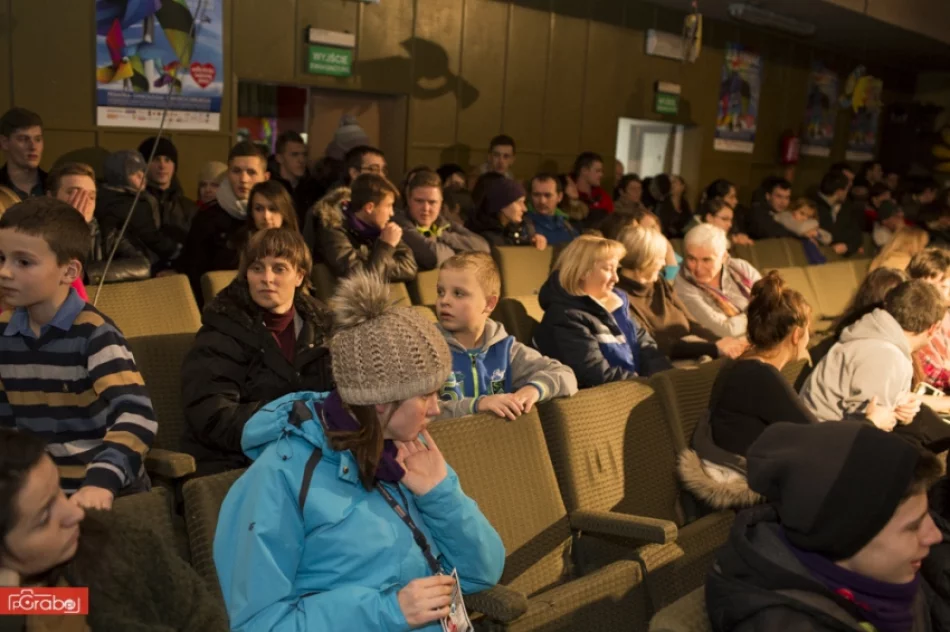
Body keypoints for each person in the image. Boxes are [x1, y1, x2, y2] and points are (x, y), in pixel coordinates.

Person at [212, 271, 506, 630]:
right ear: (380, 402)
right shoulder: (278, 479)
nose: (436, 408)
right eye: (426, 395)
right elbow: (259, 624)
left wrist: (440, 494)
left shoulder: (411, 451)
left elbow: (483, 572)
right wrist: (389, 611)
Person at [706, 421, 942, 631]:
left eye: (927, 515)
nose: (935, 535)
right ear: (844, 539)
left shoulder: (888, 577)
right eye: (913, 526)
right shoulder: (786, 623)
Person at [0, 198, 156, 509]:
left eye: (23, 262)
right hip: (44, 499)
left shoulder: (95, 334)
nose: (5, 272)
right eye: (1, 258)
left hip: (109, 496)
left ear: (69, 271)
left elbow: (137, 416)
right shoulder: (4, 332)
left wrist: (102, 481)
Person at [0, 429, 229, 629]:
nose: (76, 513)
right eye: (44, 519)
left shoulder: (113, 534)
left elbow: (202, 618)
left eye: (59, 490)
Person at [182, 228, 334, 476]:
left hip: (314, 458)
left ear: (299, 276)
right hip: (238, 463)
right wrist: (292, 417)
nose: (267, 278)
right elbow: (212, 417)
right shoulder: (220, 332)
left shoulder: (327, 331)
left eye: (279, 268)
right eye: (257, 268)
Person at [678, 272, 815, 511]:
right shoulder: (759, 375)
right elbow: (816, 434)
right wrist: (870, 422)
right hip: (742, 495)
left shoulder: (743, 365)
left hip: (736, 477)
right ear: (796, 335)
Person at [435, 252, 577, 419]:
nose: (444, 300)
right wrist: (478, 404)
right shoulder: (426, 349)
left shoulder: (506, 350)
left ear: (489, 303)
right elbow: (417, 413)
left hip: (500, 442)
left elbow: (566, 376)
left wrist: (532, 390)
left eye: (458, 293)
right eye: (440, 292)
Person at [801, 280, 945, 430]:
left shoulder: (874, 337)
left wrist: (902, 413)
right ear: (934, 328)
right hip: (828, 443)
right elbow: (865, 432)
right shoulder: (886, 355)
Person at [534, 236, 672, 388]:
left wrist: (663, 379)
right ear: (581, 272)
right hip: (605, 404)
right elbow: (596, 374)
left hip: (637, 390)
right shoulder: (564, 318)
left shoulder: (618, 306)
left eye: (616, 269)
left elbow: (648, 349)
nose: (616, 278)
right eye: (607, 269)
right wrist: (649, 385)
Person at [617, 225, 747, 362]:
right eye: (660, 258)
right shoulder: (620, 297)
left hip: (698, 351)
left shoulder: (659, 284)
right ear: (643, 260)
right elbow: (657, 344)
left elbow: (693, 324)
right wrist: (714, 348)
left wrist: (723, 342)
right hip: (669, 362)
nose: (663, 264)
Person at [182, 141, 270, 298]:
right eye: (236, 171)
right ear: (228, 174)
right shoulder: (207, 217)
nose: (243, 179)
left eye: (251, 172)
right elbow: (193, 273)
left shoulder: (274, 215)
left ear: (265, 177)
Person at [46, 161, 150, 285]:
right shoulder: (37, 234)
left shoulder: (107, 232)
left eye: (91, 196)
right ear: (50, 198)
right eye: (74, 193)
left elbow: (142, 266)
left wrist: (87, 273)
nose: (85, 201)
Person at [311, 173, 418, 282]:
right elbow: (361, 279)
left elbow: (410, 268)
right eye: (388, 206)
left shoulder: (380, 227)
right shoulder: (333, 230)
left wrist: (374, 263)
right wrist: (386, 247)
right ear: (369, 208)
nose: (392, 213)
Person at [96, 149, 182, 275]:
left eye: (142, 170)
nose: (141, 176)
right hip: (136, 266)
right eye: (133, 173)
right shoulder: (135, 203)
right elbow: (151, 237)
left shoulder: (99, 196)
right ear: (119, 175)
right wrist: (177, 250)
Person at [674, 223, 762, 339]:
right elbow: (725, 331)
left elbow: (773, 304)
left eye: (706, 260)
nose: (698, 268)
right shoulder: (682, 285)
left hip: (763, 337)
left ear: (724, 257)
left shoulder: (741, 268)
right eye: (691, 259)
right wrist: (760, 314)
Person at [394, 170, 488, 271]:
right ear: (408, 199)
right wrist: (459, 250)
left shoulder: (442, 223)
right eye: (419, 201)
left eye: (432, 202)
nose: (426, 208)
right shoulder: (400, 222)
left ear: (440, 203)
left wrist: (440, 236)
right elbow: (433, 256)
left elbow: (483, 248)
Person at [138, 136, 198, 242]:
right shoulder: (134, 202)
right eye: (156, 159)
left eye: (167, 160)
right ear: (144, 164)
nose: (162, 166)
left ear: (174, 166)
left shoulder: (188, 208)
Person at [907, 249, 950, 397]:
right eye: (931, 288)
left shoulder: (946, 317)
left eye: (944, 287)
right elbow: (931, 375)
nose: (938, 295)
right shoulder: (911, 324)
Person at [467, 177, 546, 250]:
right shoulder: (485, 239)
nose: (524, 209)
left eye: (524, 202)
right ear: (502, 205)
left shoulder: (520, 230)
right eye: (519, 202)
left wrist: (534, 241)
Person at [270, 130, 321, 228]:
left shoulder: (315, 189)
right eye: (295, 154)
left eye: (304, 154)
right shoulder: (270, 188)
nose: (301, 160)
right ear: (279, 158)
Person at [812, 170, 863, 257]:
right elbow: (830, 235)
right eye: (846, 190)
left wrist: (848, 246)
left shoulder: (846, 207)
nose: (847, 193)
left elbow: (857, 235)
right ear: (839, 192)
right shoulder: (812, 206)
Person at [0, 107, 45, 199]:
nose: (33, 147)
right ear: (4, 142)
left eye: (38, 139)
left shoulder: (54, 186)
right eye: (23, 139)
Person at [526, 172, 579, 246]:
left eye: (548, 195)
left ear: (559, 197)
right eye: (536, 195)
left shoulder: (569, 229)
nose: (542, 201)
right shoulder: (523, 227)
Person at [699, 178, 754, 246]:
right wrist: (733, 240)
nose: (736, 201)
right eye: (731, 197)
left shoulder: (739, 214)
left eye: (730, 220)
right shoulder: (695, 228)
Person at [572, 152, 614, 221]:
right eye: (598, 171)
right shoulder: (567, 196)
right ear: (584, 170)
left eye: (601, 171)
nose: (601, 175)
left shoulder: (604, 197)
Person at [656, 174, 693, 239]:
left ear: (682, 186)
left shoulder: (685, 204)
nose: (671, 184)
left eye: (674, 182)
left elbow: (689, 222)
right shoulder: (662, 204)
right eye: (669, 182)